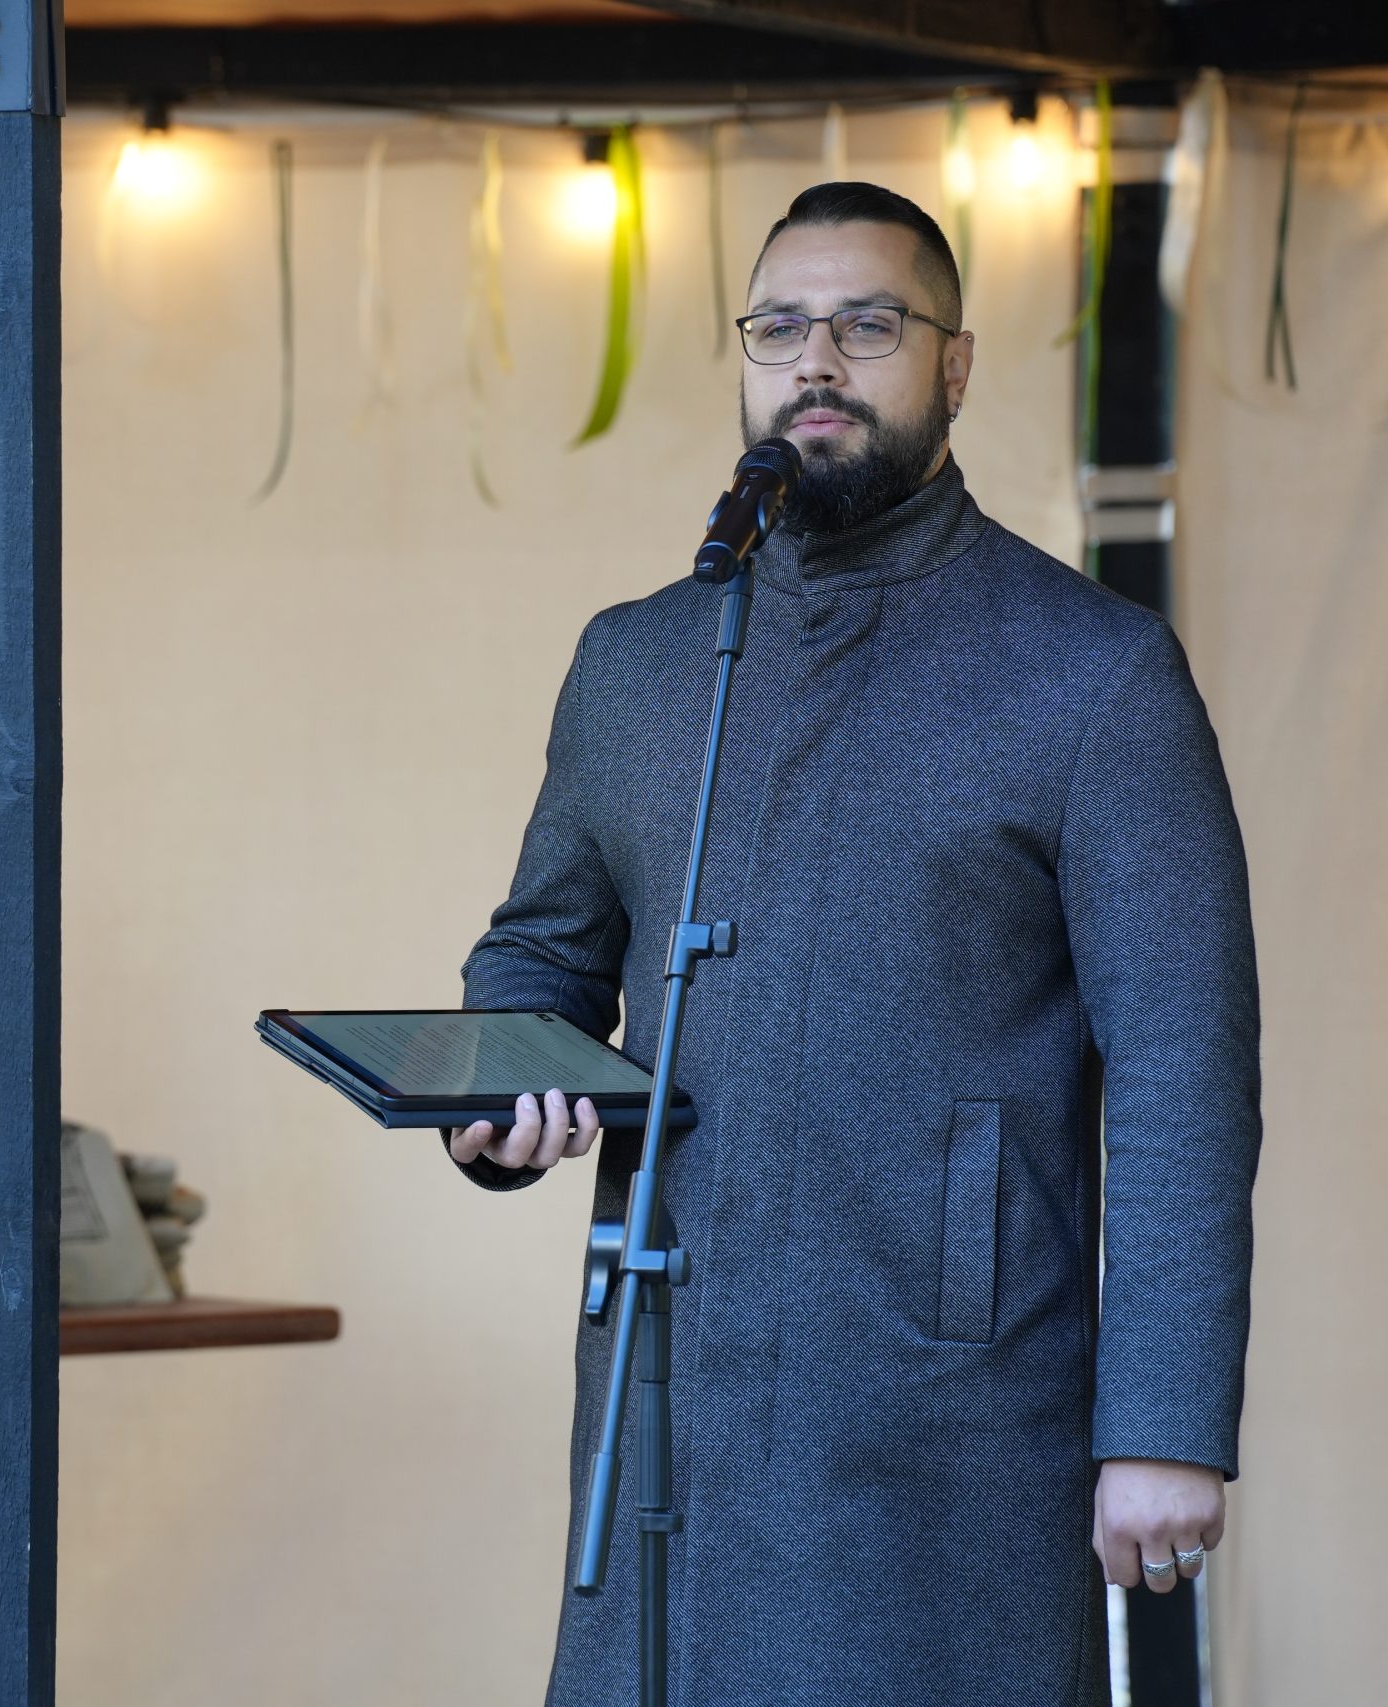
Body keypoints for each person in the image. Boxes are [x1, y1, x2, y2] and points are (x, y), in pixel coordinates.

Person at [447, 182, 1260, 1706]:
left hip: (949, 1393)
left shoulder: (1093, 672)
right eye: (780, 328)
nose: (816, 361)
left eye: (868, 325)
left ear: (955, 365)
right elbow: (542, 953)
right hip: (668, 1373)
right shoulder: (639, 659)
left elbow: (1184, 1068)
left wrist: (1163, 1424)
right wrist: (501, 1094)